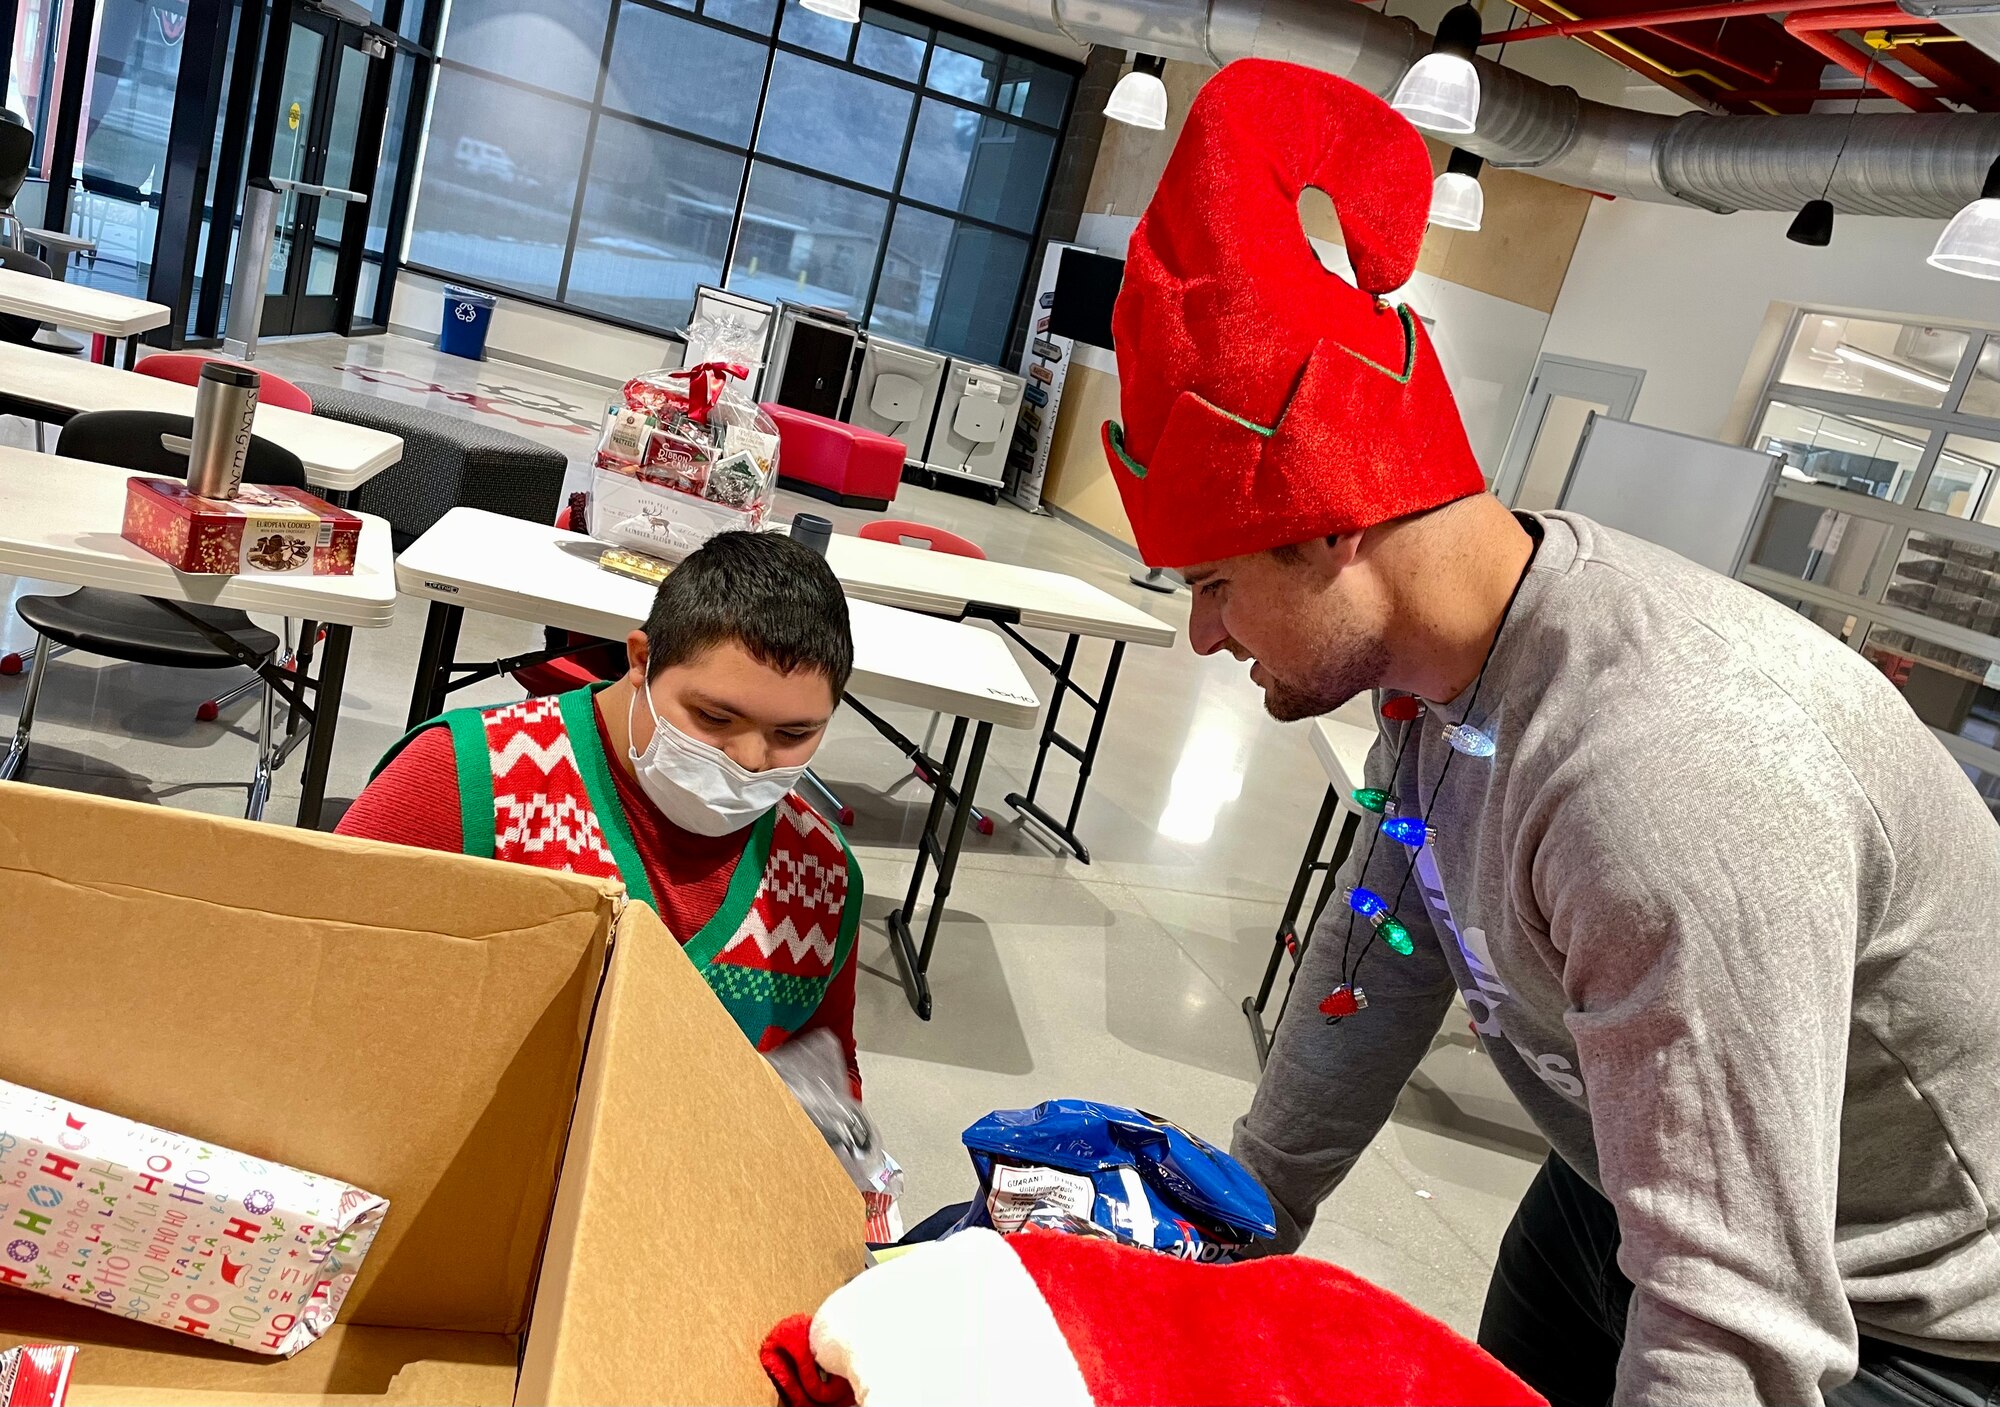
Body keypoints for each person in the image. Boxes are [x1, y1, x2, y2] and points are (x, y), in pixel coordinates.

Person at [1101, 58, 2000, 1407]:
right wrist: (1241, 1222)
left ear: (1337, 525)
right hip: (1612, 1192)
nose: (1204, 638)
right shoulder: (1431, 670)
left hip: (1888, 1310)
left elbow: (1738, 1314)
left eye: (1215, 583)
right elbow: (1390, 946)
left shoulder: (1670, 778)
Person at [339, 530, 864, 1093]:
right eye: (714, 718)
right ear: (641, 660)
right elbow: (321, 978)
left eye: (795, 733)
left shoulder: (819, 879)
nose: (750, 761)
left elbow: (825, 1070)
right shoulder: (466, 782)